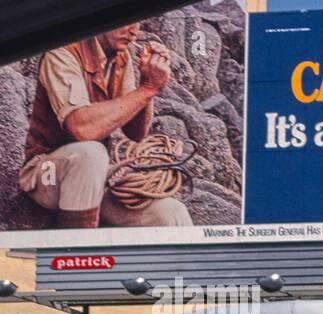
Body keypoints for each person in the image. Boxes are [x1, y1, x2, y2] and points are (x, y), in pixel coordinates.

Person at [18, 23, 193, 229]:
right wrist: (147, 89)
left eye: (137, 22)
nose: (133, 31)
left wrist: (147, 84)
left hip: (95, 176)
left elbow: (136, 133)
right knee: (91, 153)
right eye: (125, 21)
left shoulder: (121, 57)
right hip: (45, 172)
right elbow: (82, 129)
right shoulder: (61, 53)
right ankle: (79, 251)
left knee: (172, 213)